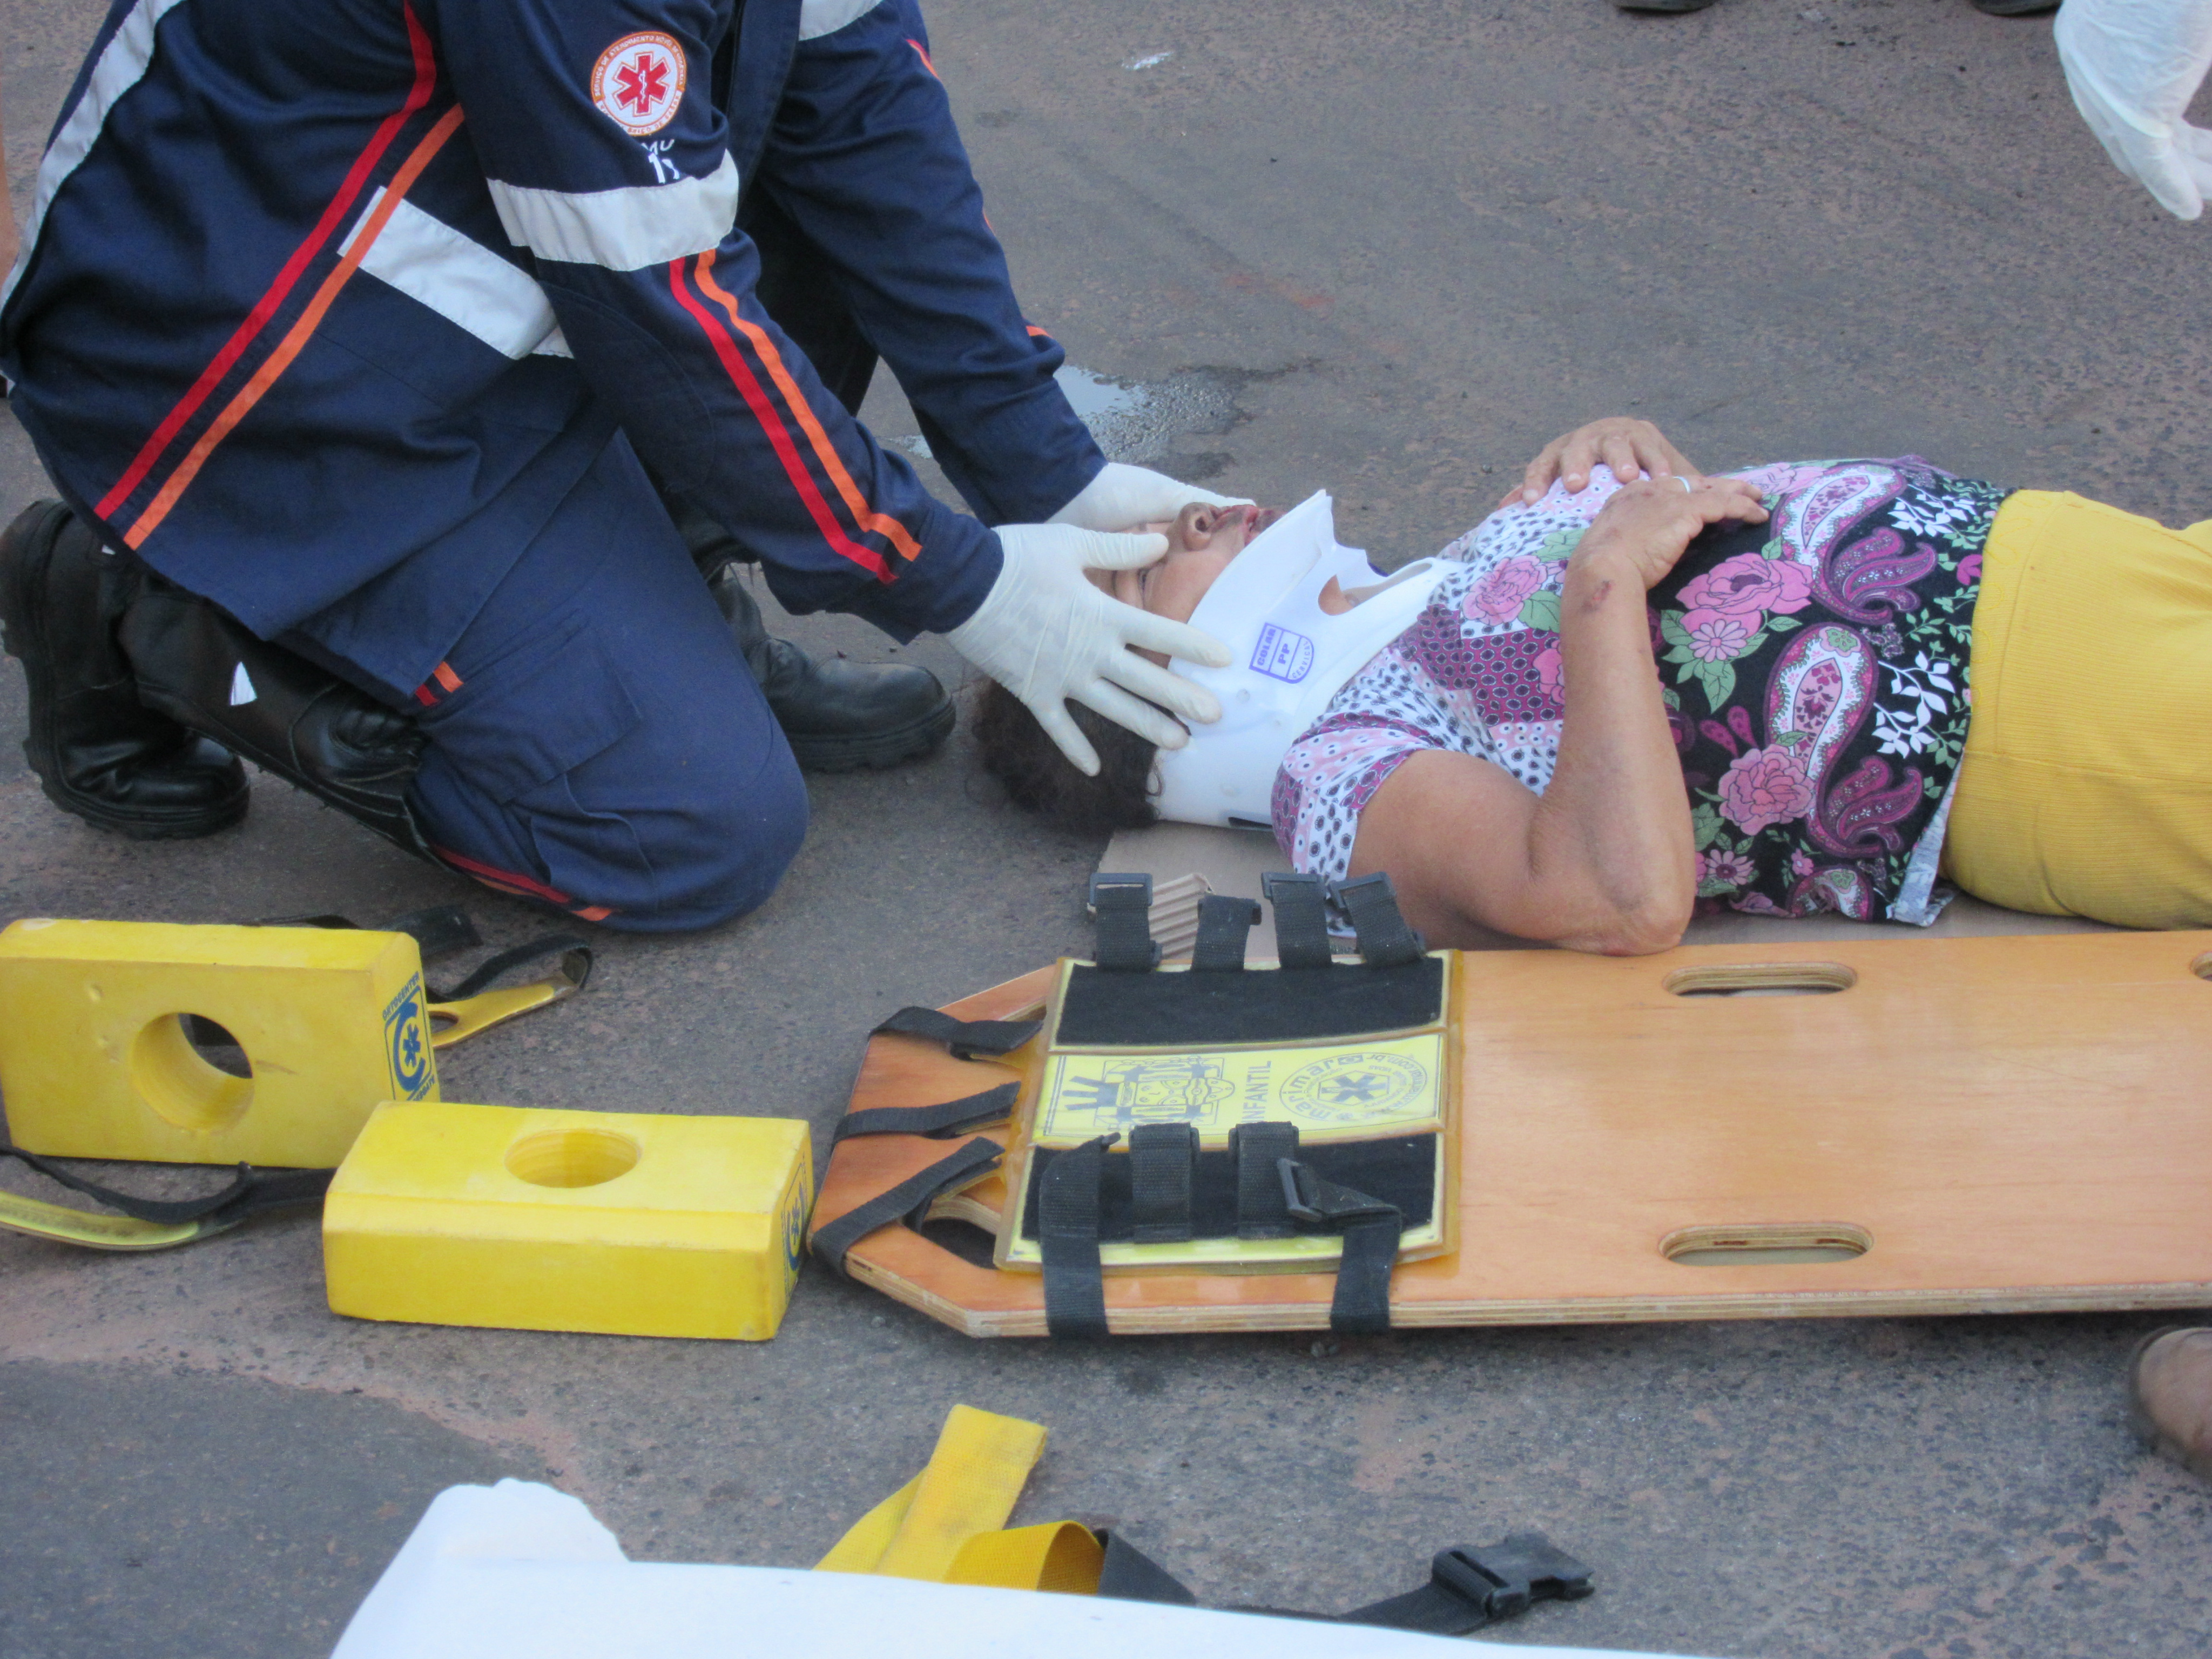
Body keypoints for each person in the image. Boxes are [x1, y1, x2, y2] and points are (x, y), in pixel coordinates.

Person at [0, 0, 1236, 932]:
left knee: (800, 167)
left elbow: (861, 114)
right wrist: (953, 579)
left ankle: (662, 596)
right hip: (264, 370)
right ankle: (145, 608)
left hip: (502, 285)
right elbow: (662, 309)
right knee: (686, 831)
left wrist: (1047, 473)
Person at [978, 416, 2212, 953]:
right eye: (1140, 578)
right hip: (2028, 721)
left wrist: (1615, 451)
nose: (1177, 521)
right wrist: (1600, 584)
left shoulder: (1427, 585)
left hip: (2059, 559)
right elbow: (1614, 898)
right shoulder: (1334, 775)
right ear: (1152, 712)